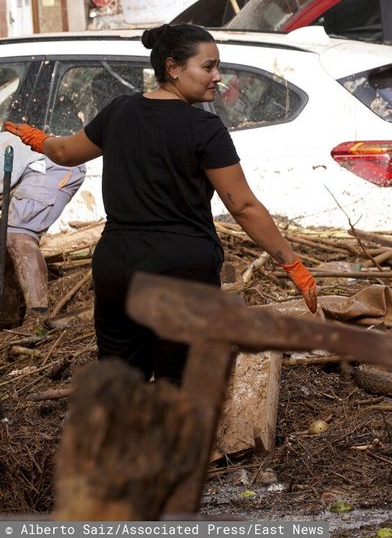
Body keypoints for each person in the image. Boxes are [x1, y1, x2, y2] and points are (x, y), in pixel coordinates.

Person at [4, 24, 318, 382]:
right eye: (208, 67)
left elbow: (63, 152)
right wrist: (292, 264)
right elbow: (243, 206)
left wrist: (36, 138)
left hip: (118, 265)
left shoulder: (119, 112)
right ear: (173, 68)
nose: (218, 77)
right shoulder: (204, 128)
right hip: (180, 270)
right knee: (179, 383)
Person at [0, 134, 85, 327]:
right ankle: (8, 319)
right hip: (32, 167)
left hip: (53, 164)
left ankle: (37, 316)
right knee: (5, 237)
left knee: (18, 234)